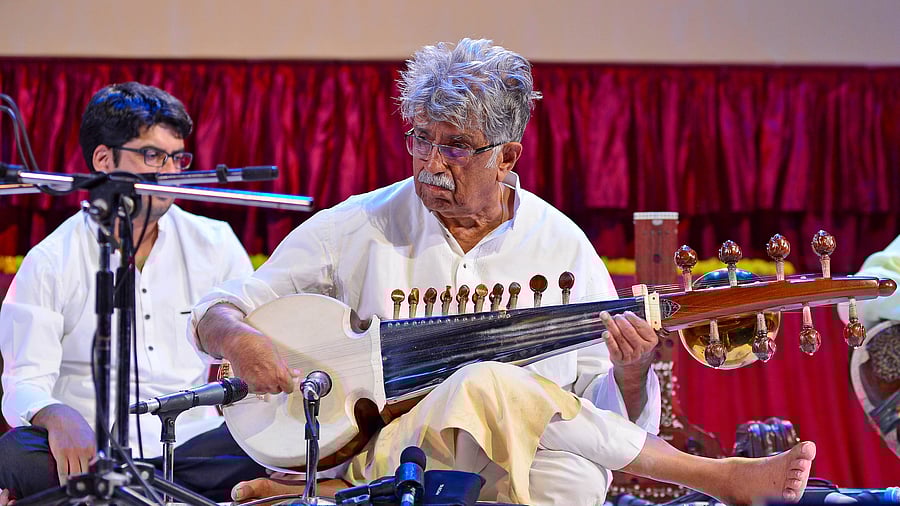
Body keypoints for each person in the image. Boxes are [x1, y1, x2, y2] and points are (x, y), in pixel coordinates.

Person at [192, 39, 816, 505]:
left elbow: (607, 414)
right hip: (386, 449)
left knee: (572, 480)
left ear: (508, 155)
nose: (431, 162)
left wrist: (631, 370)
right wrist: (239, 339)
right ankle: (713, 477)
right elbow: (218, 308)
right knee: (485, 380)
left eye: (456, 146)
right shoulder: (358, 224)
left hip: (528, 452)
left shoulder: (562, 246)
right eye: (420, 139)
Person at [0, 82, 267, 502]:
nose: (172, 171)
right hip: (91, 452)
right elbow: (24, 381)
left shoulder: (214, 242)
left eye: (177, 157)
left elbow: (252, 342)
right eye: (152, 155)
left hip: (190, 448)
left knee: (266, 447)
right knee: (18, 453)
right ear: (103, 159)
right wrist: (56, 414)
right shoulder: (51, 258)